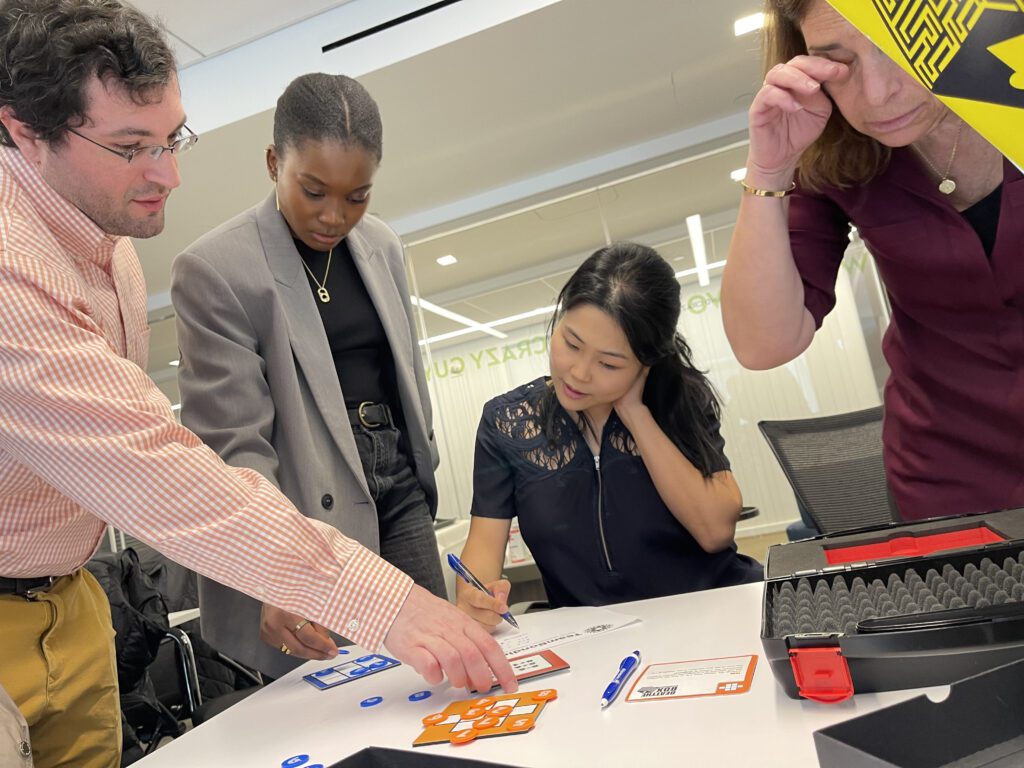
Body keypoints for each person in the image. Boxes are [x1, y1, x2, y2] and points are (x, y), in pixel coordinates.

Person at [0, 3, 513, 766]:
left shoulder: (113, 249)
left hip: (70, 596)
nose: (169, 173)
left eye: (172, 138)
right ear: (24, 132)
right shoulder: (16, 270)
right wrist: (374, 598)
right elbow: (160, 468)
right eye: (133, 146)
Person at [170, 73, 448, 678]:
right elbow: (235, 442)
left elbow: (405, 379)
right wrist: (276, 562)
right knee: (338, 696)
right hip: (303, 497)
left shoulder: (381, 245)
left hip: (397, 483)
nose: (335, 216)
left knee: (433, 672)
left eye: (357, 196)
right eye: (314, 190)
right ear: (274, 163)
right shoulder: (217, 268)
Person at [721, 0, 1024, 523]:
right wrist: (769, 169)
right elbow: (762, 343)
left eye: (902, 52)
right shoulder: (835, 159)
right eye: (840, 65)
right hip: (953, 476)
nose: (878, 95)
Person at [456, 243, 762, 627]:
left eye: (609, 363)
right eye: (571, 343)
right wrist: (475, 597)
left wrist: (636, 413)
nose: (579, 373)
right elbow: (484, 547)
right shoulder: (507, 422)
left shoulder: (680, 398)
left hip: (712, 619)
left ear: (647, 363)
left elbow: (715, 531)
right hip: (594, 638)